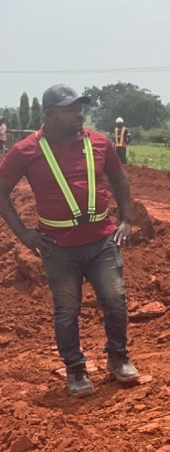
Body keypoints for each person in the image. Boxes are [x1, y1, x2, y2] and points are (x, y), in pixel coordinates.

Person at [0, 84, 139, 398]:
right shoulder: (26, 150)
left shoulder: (100, 143)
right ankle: (75, 369)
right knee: (66, 310)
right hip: (58, 247)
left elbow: (120, 180)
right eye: (69, 109)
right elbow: (1, 189)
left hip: (102, 241)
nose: (79, 114)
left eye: (80, 108)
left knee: (115, 301)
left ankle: (118, 358)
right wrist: (23, 234)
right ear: (49, 114)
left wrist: (127, 219)